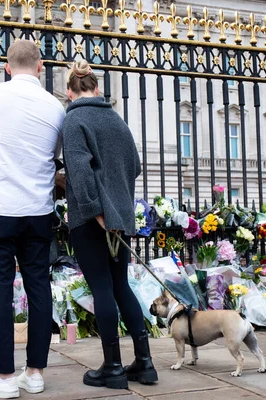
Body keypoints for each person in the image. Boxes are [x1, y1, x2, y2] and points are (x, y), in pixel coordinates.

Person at [0, 40, 65, 399]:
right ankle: (36, 372)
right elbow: (53, 155)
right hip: (38, 212)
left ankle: (5, 376)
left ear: (7, 67)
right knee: (39, 289)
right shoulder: (54, 107)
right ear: (40, 67)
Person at [62, 60, 158, 389]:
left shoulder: (74, 119)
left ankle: (113, 367)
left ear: (69, 91)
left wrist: (94, 209)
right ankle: (145, 364)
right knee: (121, 286)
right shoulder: (115, 118)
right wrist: (117, 203)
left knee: (102, 288)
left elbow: (79, 169)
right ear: (97, 87)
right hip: (119, 217)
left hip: (91, 219)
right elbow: (135, 164)